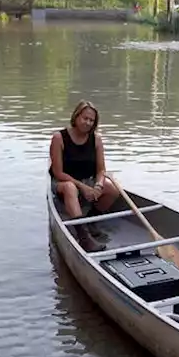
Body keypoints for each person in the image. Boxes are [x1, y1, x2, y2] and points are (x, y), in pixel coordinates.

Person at [50, 100, 121, 252]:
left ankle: (90, 220)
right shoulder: (59, 138)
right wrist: (82, 187)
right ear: (76, 117)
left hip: (88, 180)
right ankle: (84, 238)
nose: (88, 122)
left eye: (91, 120)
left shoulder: (96, 139)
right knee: (70, 188)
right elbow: (58, 173)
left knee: (112, 188)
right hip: (63, 182)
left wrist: (98, 186)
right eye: (85, 118)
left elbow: (101, 170)